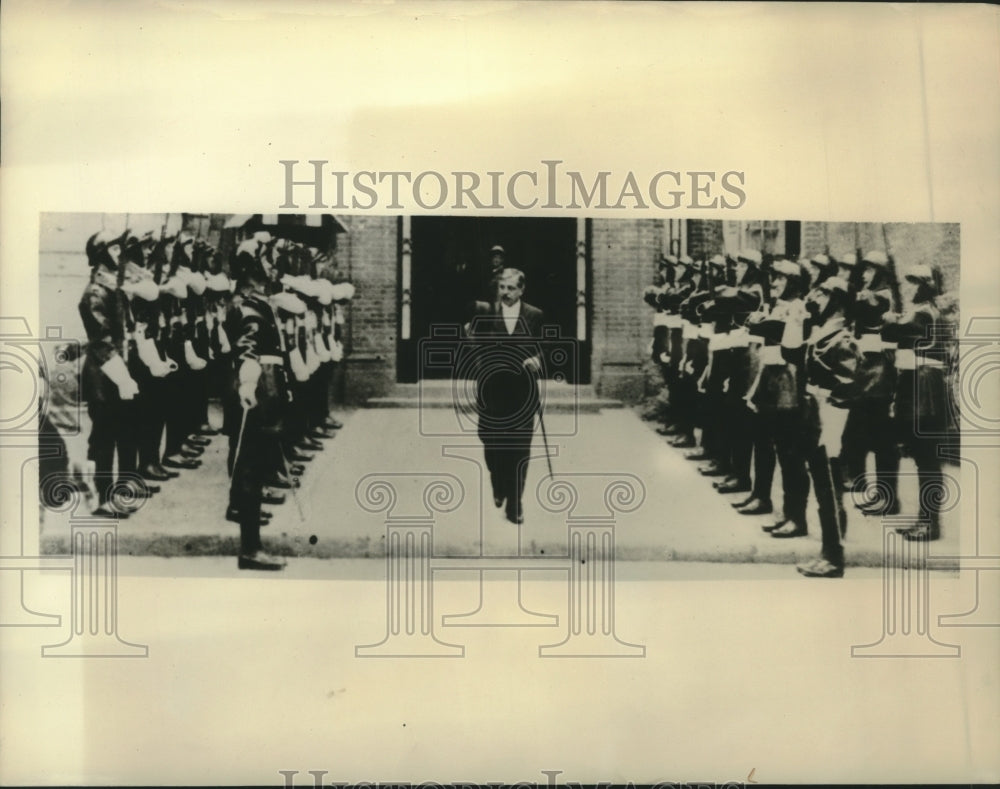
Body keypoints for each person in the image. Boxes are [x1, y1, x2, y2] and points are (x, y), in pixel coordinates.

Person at [224, 237, 290, 571]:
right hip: (255, 390)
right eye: (267, 260)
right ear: (252, 265)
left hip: (265, 388)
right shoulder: (248, 303)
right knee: (249, 468)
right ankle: (250, 550)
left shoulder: (257, 299)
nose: (273, 265)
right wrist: (249, 381)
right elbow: (246, 347)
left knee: (257, 465)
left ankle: (252, 539)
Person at [466, 267, 544, 525]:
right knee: (492, 445)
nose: (506, 293)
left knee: (520, 450)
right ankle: (498, 482)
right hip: (493, 393)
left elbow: (548, 349)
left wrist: (537, 359)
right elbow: (474, 345)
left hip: (523, 392)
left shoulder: (535, 315)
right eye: (502, 288)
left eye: (511, 288)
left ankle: (515, 504)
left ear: (522, 289)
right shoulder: (485, 313)